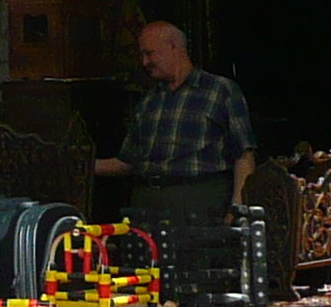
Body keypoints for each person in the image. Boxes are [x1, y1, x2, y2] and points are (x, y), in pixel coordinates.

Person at [93, 20, 256, 221]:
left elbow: (244, 156)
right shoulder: (148, 101)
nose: (144, 62)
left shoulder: (219, 91)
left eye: (149, 53)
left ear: (173, 46)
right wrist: (83, 165)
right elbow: (128, 161)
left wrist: (236, 210)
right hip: (148, 202)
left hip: (200, 201)